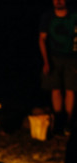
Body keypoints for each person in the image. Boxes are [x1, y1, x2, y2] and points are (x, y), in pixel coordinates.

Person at [39, 0, 77, 135]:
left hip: (72, 57)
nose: (58, 1)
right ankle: (59, 121)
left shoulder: (74, 15)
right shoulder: (48, 16)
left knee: (70, 89)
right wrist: (46, 61)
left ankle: (69, 122)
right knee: (55, 89)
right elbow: (42, 39)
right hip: (54, 56)